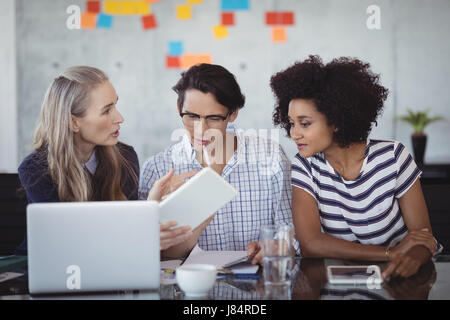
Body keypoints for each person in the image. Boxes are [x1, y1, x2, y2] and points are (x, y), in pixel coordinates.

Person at [268, 55, 442, 279]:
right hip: (339, 286)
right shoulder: (305, 167)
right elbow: (311, 243)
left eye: (305, 123)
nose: (294, 133)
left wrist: (410, 259)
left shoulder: (393, 157)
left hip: (401, 279)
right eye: (291, 123)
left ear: (337, 120)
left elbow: (422, 237)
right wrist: (390, 253)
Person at [16, 66, 194, 255]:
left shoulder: (125, 157)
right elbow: (70, 244)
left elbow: (126, 235)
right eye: (106, 110)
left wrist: (151, 208)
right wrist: (141, 233)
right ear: (73, 122)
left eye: (115, 105)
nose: (120, 118)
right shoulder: (35, 169)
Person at [139, 63, 298, 259]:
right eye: (191, 116)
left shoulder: (271, 157)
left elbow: (291, 235)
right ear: (179, 108)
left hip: (256, 284)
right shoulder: (157, 169)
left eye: (213, 118)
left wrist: (277, 247)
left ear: (232, 114)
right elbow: (151, 255)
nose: (201, 129)